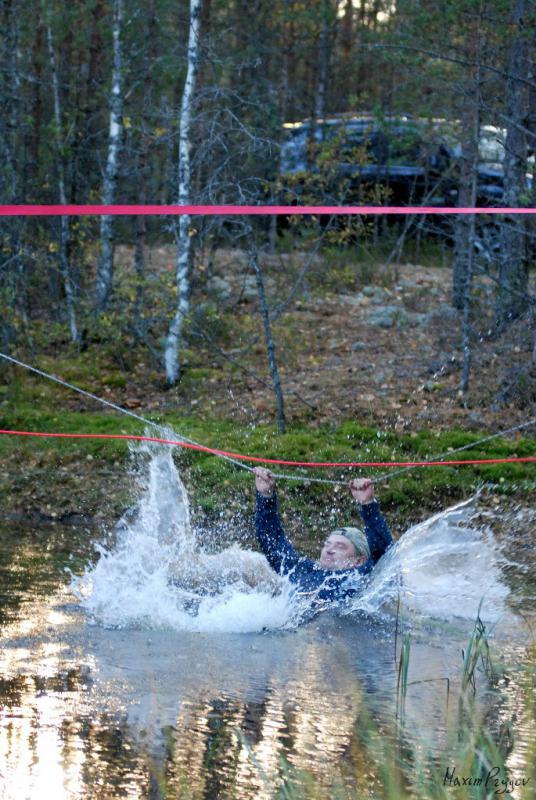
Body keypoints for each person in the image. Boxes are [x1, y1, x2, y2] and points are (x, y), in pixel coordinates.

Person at [253, 467, 393, 603]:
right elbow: (272, 539)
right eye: (327, 544)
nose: (329, 549)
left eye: (340, 546)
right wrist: (266, 495)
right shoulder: (301, 569)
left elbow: (383, 553)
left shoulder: (362, 578)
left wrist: (368, 504)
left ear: (359, 560)